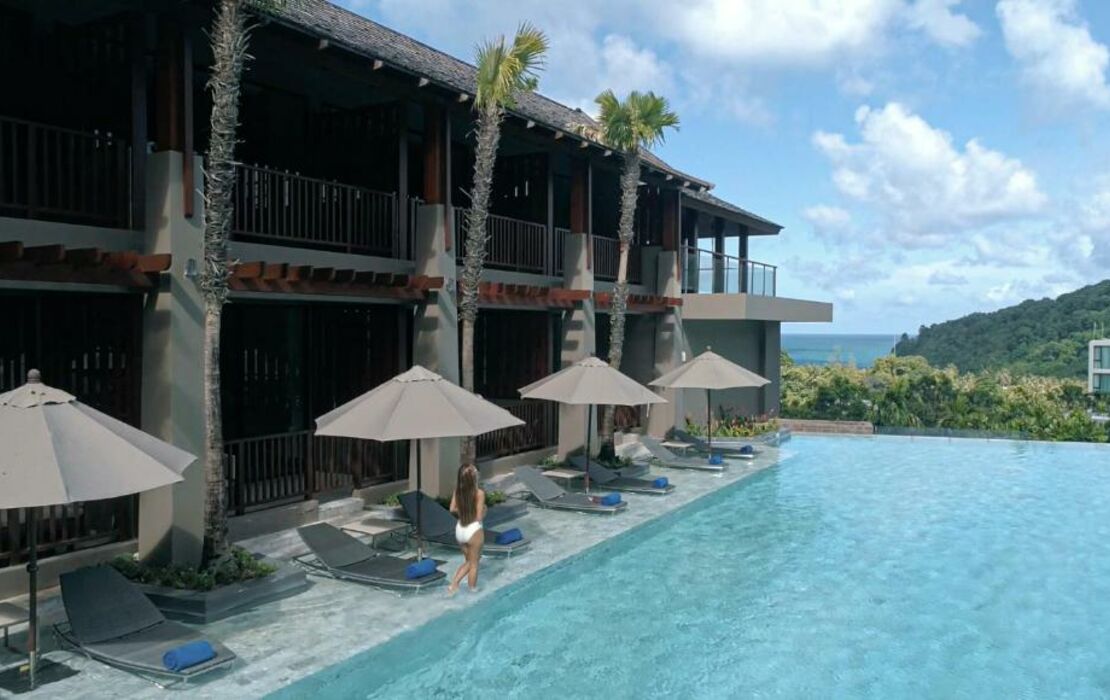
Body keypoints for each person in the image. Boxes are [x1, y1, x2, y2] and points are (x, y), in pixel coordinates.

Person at [448, 463, 485, 595]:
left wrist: (463, 512)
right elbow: (479, 516)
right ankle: (469, 590)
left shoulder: (457, 491)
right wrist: (485, 510)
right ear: (473, 477)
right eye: (476, 471)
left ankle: (454, 585)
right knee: (474, 563)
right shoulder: (479, 493)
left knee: (468, 561)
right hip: (473, 530)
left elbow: (452, 509)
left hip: (460, 529)